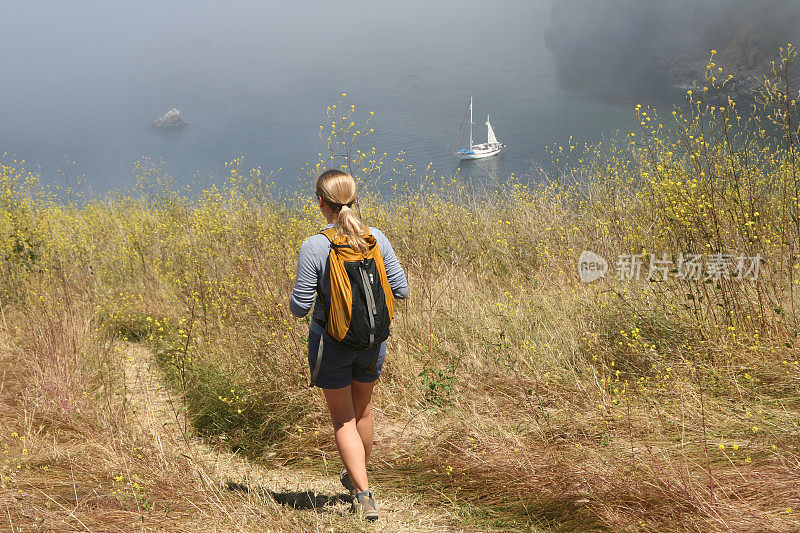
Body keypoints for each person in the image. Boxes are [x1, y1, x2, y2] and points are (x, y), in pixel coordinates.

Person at [290, 169, 408, 521]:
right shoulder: (376, 238)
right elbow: (401, 290)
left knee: (343, 420)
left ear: (320, 202)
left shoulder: (315, 246)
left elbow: (299, 308)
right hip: (373, 341)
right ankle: (358, 483)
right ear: (355, 199)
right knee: (364, 413)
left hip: (332, 342)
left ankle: (365, 494)